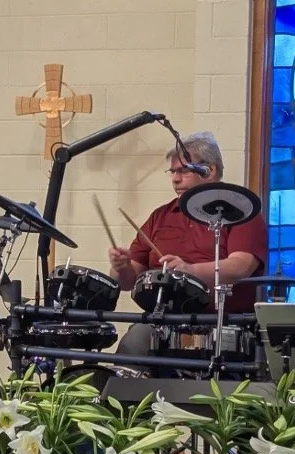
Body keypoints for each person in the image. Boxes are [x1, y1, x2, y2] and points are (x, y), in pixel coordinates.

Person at [108, 131, 268, 356]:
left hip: (222, 326)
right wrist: (121, 266)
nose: (175, 179)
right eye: (172, 172)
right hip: (163, 322)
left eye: (183, 170)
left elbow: (241, 266)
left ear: (210, 171)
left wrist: (189, 271)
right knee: (133, 344)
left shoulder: (242, 213)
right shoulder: (161, 216)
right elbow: (127, 282)